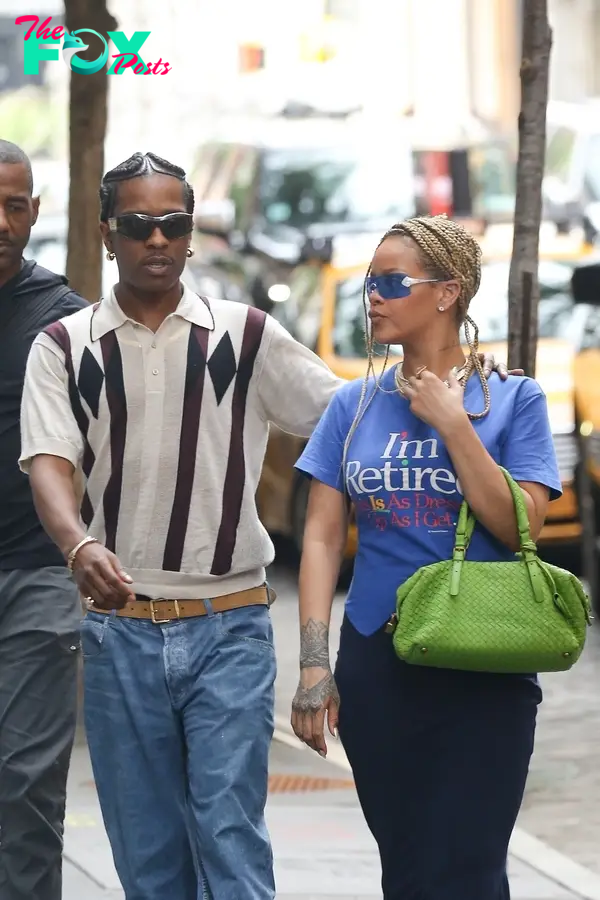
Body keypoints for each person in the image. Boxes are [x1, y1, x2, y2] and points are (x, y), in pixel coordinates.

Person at [19, 156, 516, 900]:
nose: (158, 240)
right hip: (118, 630)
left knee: (229, 837)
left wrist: (458, 394)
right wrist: (78, 543)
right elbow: (49, 463)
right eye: (138, 225)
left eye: (175, 224)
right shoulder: (63, 347)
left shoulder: (246, 335)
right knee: (147, 852)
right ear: (106, 234)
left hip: (231, 625)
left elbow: (350, 414)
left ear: (193, 236)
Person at [291, 214, 561, 900]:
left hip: (485, 662)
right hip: (380, 666)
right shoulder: (350, 406)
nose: (372, 296)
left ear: (449, 292)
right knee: (407, 868)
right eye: (370, 283)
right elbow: (322, 537)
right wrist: (315, 664)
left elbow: (520, 522)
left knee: (468, 869)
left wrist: (453, 424)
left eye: (390, 281)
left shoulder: (514, 399)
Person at [0, 140, 88, 900]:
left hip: (35, 576)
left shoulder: (65, 323)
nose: (0, 221)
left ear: (35, 213)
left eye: (14, 205)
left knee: (25, 780)